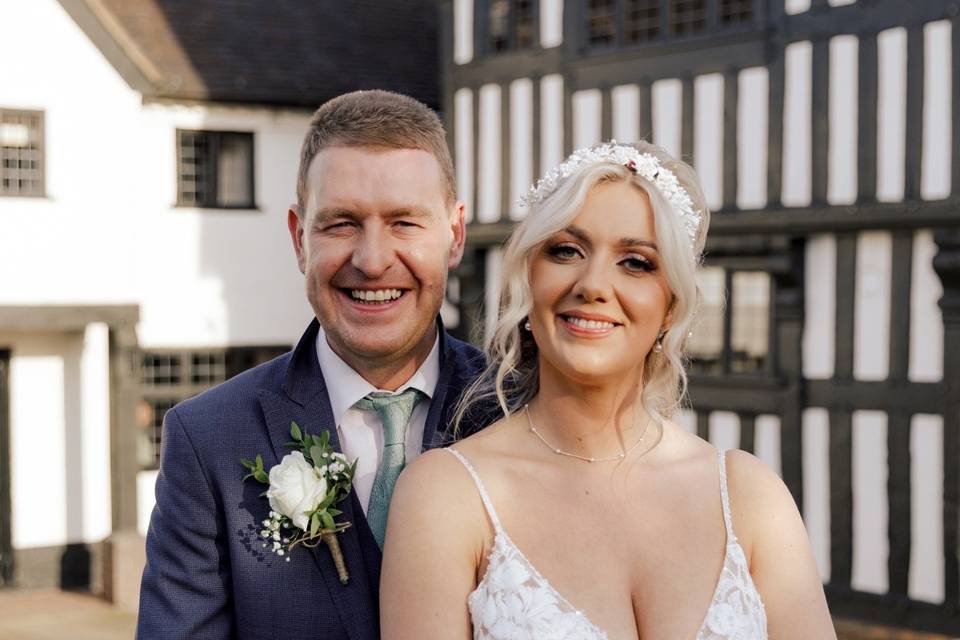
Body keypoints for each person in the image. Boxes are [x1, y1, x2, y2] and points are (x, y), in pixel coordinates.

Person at [381, 141, 836, 639]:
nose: (594, 284)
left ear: (670, 307)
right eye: (566, 251)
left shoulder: (749, 496)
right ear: (530, 280)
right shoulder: (446, 495)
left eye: (636, 262)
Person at [137, 90, 485, 639]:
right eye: (341, 223)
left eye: (404, 223)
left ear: (454, 235)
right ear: (300, 238)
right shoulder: (206, 440)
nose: (372, 261)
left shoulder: (519, 411)